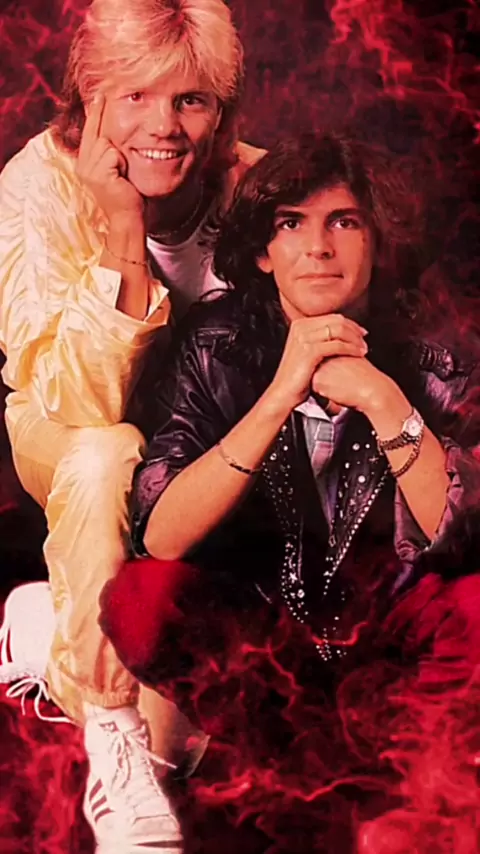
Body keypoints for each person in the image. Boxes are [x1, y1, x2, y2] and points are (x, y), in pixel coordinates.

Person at [99, 132, 480, 729]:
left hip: (391, 638)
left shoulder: (439, 356)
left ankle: (391, 749)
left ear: (377, 241)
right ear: (262, 252)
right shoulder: (216, 344)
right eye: (291, 224)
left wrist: (383, 400)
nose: (319, 248)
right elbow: (163, 537)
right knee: (143, 599)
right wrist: (280, 395)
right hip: (263, 643)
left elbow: (463, 542)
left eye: (344, 222)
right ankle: (278, 750)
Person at [0, 0, 263, 850]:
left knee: (205, 729)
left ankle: (47, 629)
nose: (165, 126)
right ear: (91, 96)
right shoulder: (35, 186)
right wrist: (123, 231)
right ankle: (112, 735)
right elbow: (74, 402)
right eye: (136, 96)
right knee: (104, 455)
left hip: (206, 466)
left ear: (221, 112)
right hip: (75, 439)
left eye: (191, 100)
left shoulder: (258, 187)